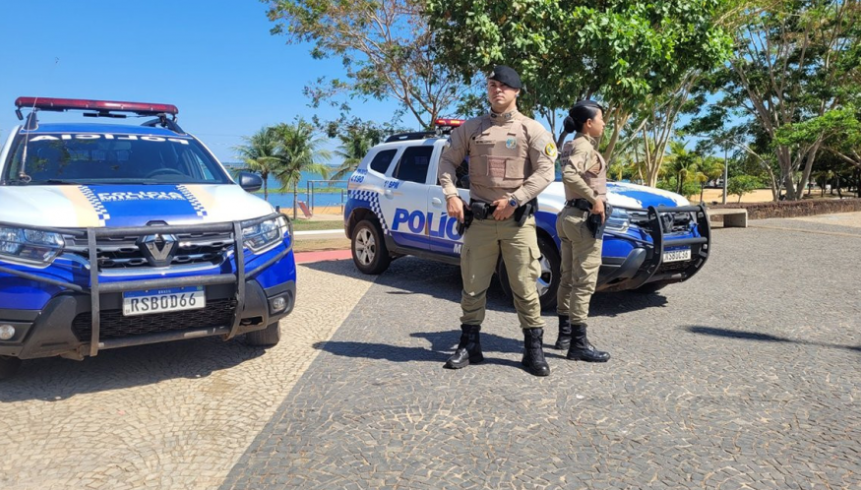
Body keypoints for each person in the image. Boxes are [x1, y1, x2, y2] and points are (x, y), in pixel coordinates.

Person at [438, 65, 557, 377]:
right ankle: (469, 345)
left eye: (504, 86)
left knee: (525, 286)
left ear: (516, 92)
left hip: (517, 223)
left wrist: (516, 199)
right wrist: (451, 194)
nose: (497, 90)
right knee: (473, 286)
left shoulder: (533, 130)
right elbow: (447, 160)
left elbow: (546, 172)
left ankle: (533, 350)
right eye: (492, 85)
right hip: (479, 222)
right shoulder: (472, 128)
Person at [553, 100, 612, 363]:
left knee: (567, 278)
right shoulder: (583, 147)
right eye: (601, 118)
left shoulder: (569, 144)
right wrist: (594, 199)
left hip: (568, 215)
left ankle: (564, 335)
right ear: (588, 123)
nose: (604, 123)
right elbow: (569, 174)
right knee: (583, 282)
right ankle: (578, 344)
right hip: (583, 219)